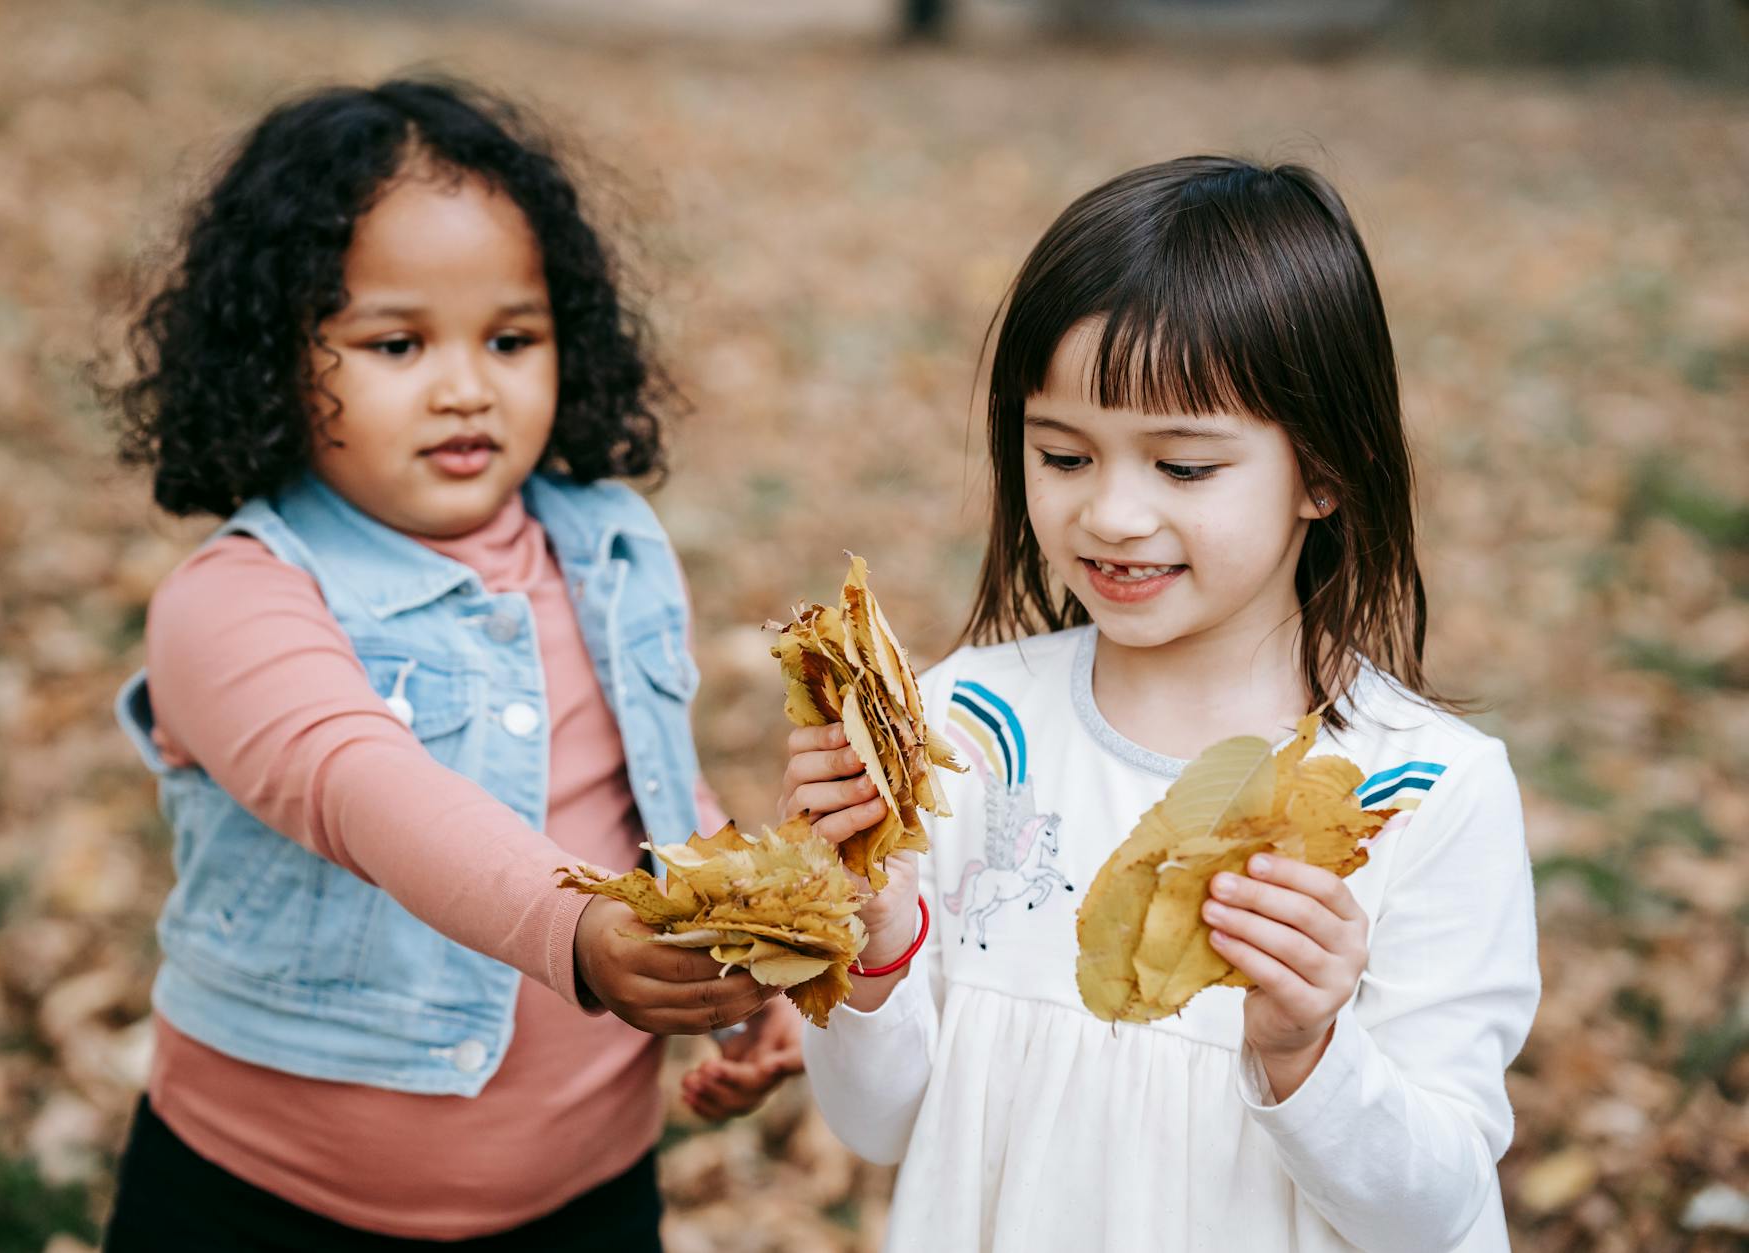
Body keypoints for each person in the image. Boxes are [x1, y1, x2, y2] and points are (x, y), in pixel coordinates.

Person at [780, 157, 1540, 1252]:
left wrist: (1304, 1047)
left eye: (1182, 466)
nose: (1112, 512)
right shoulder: (967, 730)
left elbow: (1429, 1210)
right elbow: (877, 1124)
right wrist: (872, 929)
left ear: (1324, 471)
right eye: (1061, 453)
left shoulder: (1420, 791)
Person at [98, 78, 799, 1252]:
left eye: (511, 338)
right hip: (265, 1201)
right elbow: (366, 788)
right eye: (396, 342)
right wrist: (575, 930)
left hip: (584, 1197)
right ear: (275, 354)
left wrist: (744, 963)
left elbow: (656, 789)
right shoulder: (233, 602)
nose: (466, 385)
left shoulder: (606, 543)